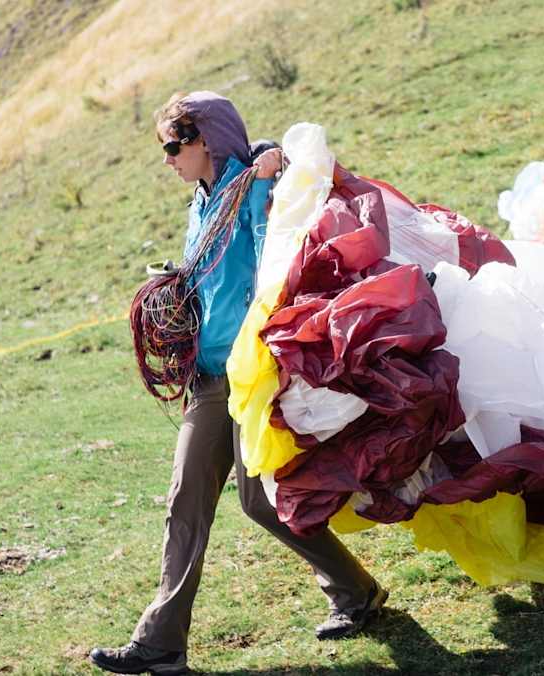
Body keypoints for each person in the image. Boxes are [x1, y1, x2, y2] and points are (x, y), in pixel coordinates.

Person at [90, 91, 387, 675]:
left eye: (176, 146)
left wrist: (266, 156)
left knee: (260, 504)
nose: (169, 159)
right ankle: (162, 643)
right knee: (185, 499)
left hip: (250, 373)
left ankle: (357, 592)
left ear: (207, 139)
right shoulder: (199, 205)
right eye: (166, 149)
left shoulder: (253, 184)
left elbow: (274, 253)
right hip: (209, 376)